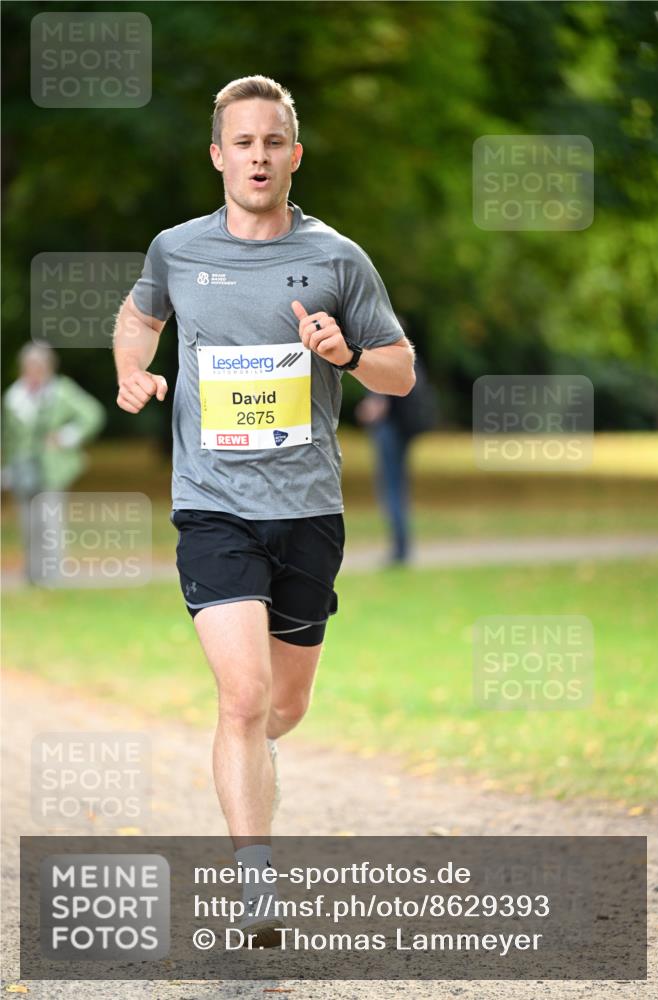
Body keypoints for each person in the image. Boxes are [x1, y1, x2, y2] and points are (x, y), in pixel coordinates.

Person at [112, 75, 415, 946]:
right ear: (217, 154)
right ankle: (257, 887)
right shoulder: (176, 248)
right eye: (241, 142)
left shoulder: (338, 258)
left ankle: (258, 755)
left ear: (293, 154)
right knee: (241, 699)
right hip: (212, 504)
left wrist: (348, 353)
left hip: (308, 509)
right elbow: (139, 318)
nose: (256, 155)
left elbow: (400, 371)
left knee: (284, 708)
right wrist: (134, 370)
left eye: (271, 141)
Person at [2, 342, 105, 583]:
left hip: (51, 470)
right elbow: (8, 437)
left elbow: (92, 414)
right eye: (29, 365)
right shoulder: (13, 396)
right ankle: (32, 575)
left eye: (38, 365)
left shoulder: (61, 391)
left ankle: (53, 576)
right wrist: (6, 467)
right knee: (27, 524)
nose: (33, 370)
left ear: (48, 367)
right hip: (21, 469)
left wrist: (67, 436)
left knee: (50, 524)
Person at [355, 351, 438, 565]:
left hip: (389, 431)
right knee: (399, 487)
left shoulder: (381, 361)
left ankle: (399, 549)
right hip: (404, 430)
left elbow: (378, 406)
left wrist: (363, 412)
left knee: (391, 488)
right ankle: (402, 546)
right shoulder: (406, 360)